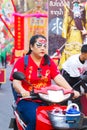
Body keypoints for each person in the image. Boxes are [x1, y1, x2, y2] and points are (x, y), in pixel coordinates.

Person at [10, 35, 80, 130]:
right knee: (35, 119)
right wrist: (22, 91)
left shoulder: (49, 62)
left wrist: (71, 90)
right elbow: (16, 83)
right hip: (28, 99)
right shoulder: (22, 62)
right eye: (39, 45)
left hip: (47, 99)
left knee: (63, 119)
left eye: (44, 46)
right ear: (31, 47)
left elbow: (58, 78)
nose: (42, 48)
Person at [59, 0, 87, 70]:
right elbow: (66, 21)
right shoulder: (70, 10)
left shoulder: (84, 9)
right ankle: (68, 67)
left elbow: (85, 21)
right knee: (70, 49)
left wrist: (85, 30)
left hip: (79, 33)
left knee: (79, 49)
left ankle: (79, 67)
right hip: (71, 33)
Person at [61, 44, 87, 114]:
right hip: (67, 76)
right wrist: (85, 89)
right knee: (66, 94)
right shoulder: (74, 61)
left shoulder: (86, 60)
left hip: (77, 76)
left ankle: (79, 114)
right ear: (83, 53)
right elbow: (75, 78)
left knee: (77, 96)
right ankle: (62, 112)